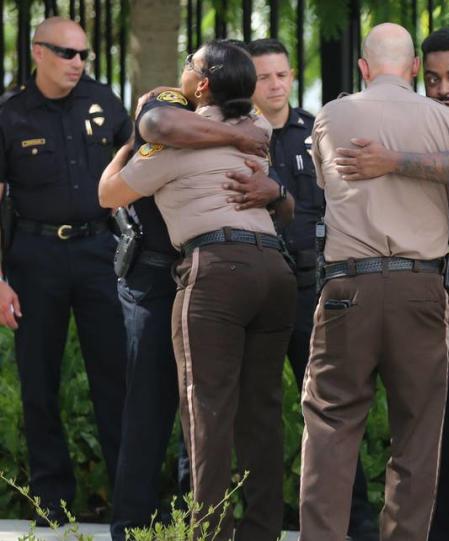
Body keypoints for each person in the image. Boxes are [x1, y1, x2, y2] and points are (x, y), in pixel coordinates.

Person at [298, 23, 449, 541]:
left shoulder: (332, 115)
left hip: (346, 288)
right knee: (417, 431)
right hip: (419, 290)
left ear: (363, 67)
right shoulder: (447, 121)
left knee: (330, 425)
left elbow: (326, 188)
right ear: (414, 69)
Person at [99, 40, 297, 541]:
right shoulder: (256, 133)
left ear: (203, 83)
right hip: (274, 269)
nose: (183, 70)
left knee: (206, 411)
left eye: (189, 65)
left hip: (217, 271)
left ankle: (211, 534)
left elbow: (108, 193)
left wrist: (129, 140)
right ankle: (262, 532)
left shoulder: (170, 144)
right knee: (262, 412)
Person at [243, 37, 378, 541]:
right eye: (263, 77)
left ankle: (355, 526)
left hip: (310, 287)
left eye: (282, 74)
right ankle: (255, 524)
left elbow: (344, 201)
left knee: (329, 413)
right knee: (249, 411)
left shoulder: (316, 130)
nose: (275, 85)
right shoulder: (235, 134)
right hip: (254, 286)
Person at [0, 17, 129, 520]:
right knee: (38, 381)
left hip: (100, 253)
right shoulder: (11, 114)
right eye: (66, 53)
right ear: (38, 52)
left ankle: (128, 498)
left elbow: (141, 171)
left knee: (116, 376)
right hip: (35, 258)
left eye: (83, 55)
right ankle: (51, 500)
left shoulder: (106, 103)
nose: (78, 63)